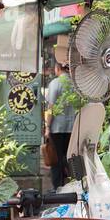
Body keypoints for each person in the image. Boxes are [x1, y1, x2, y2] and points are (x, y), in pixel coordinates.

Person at [44, 58, 76, 188]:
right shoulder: (75, 84)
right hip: (72, 128)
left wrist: (47, 127)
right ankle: (74, 186)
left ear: (58, 69)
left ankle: (57, 189)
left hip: (57, 128)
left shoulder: (55, 83)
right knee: (70, 158)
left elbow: (51, 107)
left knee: (56, 159)